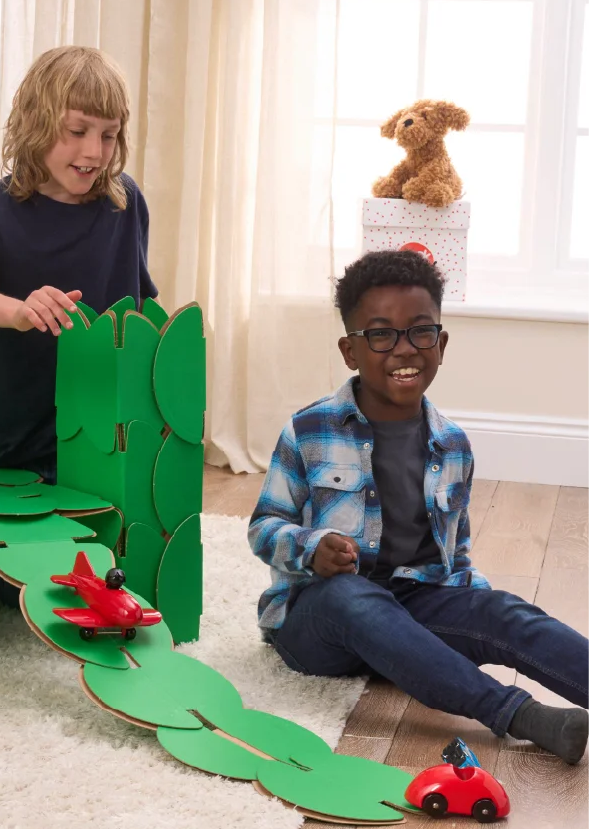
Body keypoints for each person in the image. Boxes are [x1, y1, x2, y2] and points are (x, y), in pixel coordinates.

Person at [249, 249, 589, 764]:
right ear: (349, 351)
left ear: (441, 344)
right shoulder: (308, 430)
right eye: (381, 335)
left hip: (414, 606)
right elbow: (264, 526)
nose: (404, 349)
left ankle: (429, 656)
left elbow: (457, 553)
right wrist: (311, 547)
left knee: (502, 611)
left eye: (420, 332)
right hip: (321, 623)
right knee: (349, 596)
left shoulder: (453, 445)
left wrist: (483, 616)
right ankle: (524, 717)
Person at [0, 45, 158, 484]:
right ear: (34, 121)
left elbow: (140, 310)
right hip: (13, 448)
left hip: (107, 441)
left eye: (108, 135)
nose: (94, 152)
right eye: (77, 130)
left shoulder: (126, 201)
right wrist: (20, 312)